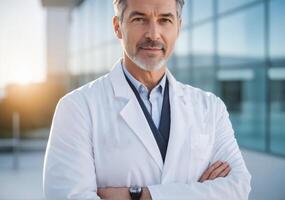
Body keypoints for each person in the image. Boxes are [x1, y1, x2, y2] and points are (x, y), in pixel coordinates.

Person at [43, 0, 251, 199]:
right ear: (117, 27)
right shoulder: (77, 108)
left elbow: (238, 188)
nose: (153, 34)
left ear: (178, 27)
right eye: (139, 19)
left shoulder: (211, 108)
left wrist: (142, 195)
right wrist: (199, 191)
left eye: (165, 20)